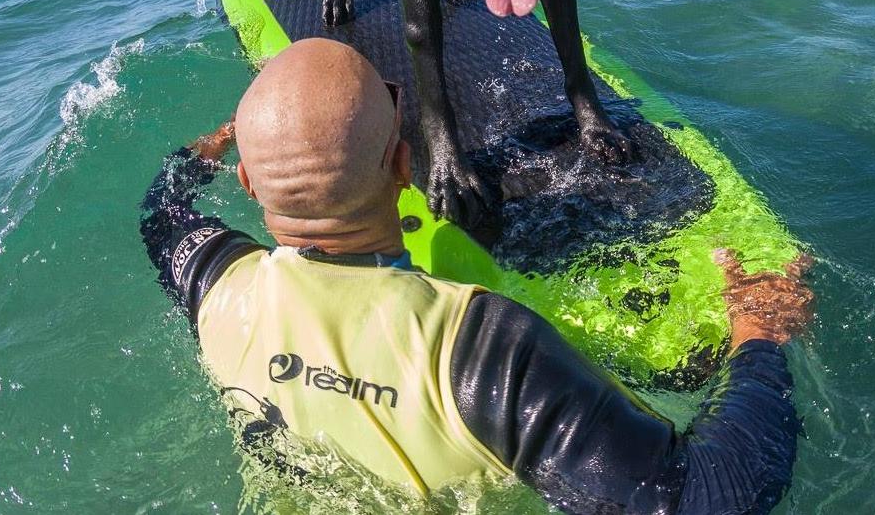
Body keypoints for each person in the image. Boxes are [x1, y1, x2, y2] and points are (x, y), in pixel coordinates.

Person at [140, 38, 814, 512]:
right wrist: (758, 333)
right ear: (406, 166)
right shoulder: (477, 348)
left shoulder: (212, 286)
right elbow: (708, 498)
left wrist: (220, 141)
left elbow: (161, 207)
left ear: (251, 182)